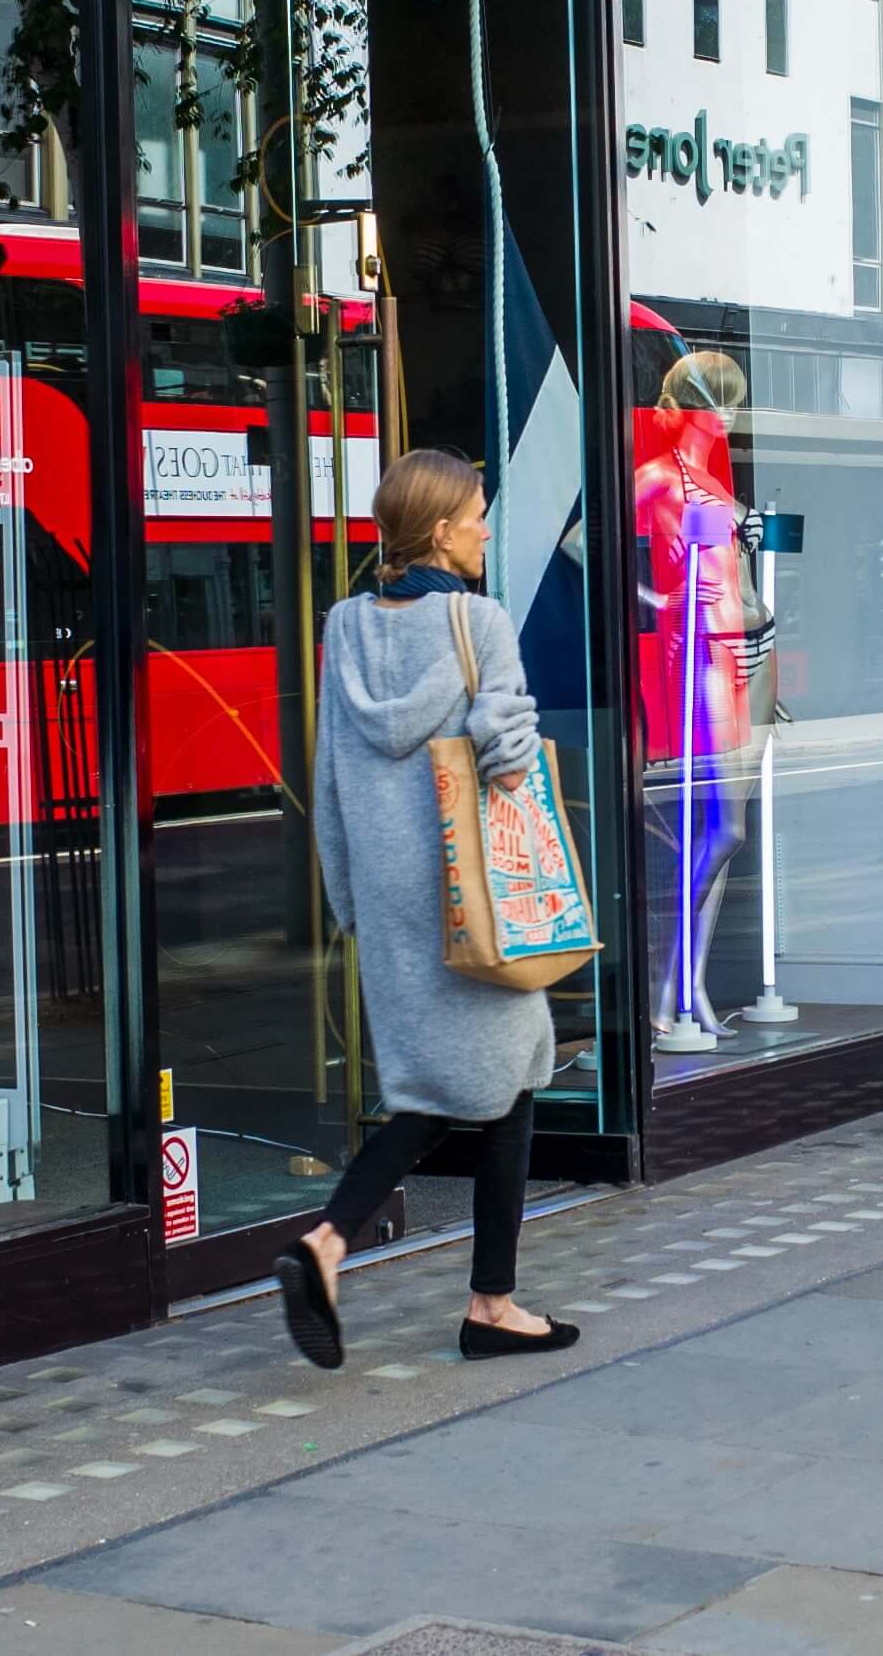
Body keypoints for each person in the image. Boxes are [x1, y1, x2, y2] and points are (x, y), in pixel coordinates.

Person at [274, 447, 578, 1372]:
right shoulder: (476, 621)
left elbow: (328, 773)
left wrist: (347, 895)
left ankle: (492, 1300)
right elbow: (506, 754)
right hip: (470, 889)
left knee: (474, 1078)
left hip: (390, 892)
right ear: (441, 528)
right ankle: (335, 1245)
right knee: (491, 1077)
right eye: (478, 514)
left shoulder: (344, 629)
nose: (487, 527)